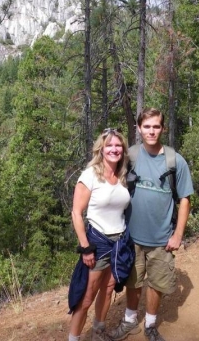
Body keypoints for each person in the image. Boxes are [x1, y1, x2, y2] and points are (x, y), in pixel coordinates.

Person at [111, 108, 194, 341]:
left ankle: (150, 325)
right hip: (132, 236)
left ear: (163, 128)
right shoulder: (131, 156)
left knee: (156, 284)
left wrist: (178, 234)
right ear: (138, 129)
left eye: (156, 126)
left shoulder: (175, 160)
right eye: (146, 126)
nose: (151, 131)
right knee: (133, 282)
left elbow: (185, 199)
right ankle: (129, 321)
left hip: (162, 239)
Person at [68, 128, 134, 341]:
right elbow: (77, 213)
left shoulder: (123, 174)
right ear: (101, 149)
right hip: (98, 242)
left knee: (108, 290)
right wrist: (85, 247)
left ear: (123, 150)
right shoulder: (90, 175)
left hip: (120, 242)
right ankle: (74, 338)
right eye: (109, 145)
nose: (114, 149)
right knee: (86, 298)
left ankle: (98, 333)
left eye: (118, 146)